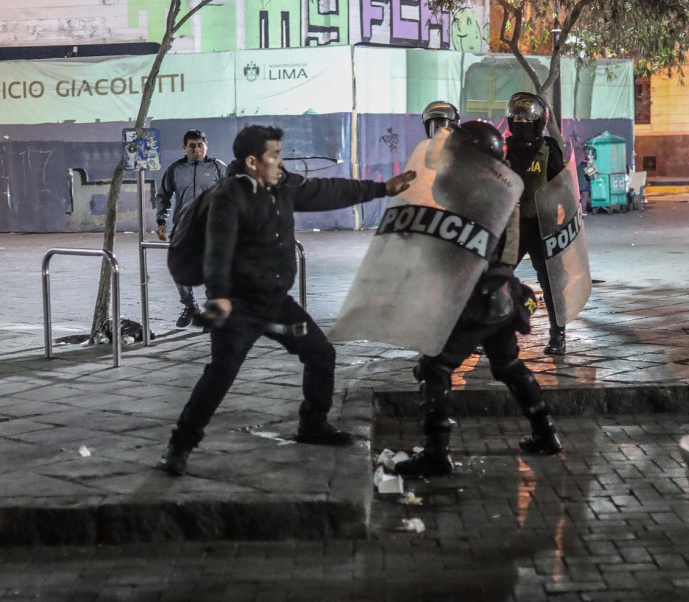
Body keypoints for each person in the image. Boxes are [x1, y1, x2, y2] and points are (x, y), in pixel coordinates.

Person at [157, 125, 416, 476]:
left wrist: (382, 189)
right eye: (274, 155)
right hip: (239, 305)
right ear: (252, 161)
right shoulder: (229, 196)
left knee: (321, 354)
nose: (281, 161)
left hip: (276, 302)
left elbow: (327, 191)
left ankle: (313, 425)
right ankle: (180, 446)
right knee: (220, 374)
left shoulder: (283, 186)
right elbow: (218, 249)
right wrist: (218, 297)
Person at [393, 121, 563, 478]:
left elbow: (449, 227)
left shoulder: (473, 193)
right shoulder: (503, 187)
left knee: (435, 367)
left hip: (478, 297)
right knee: (508, 366)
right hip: (502, 296)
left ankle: (437, 452)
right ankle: (546, 433)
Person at [504, 92, 569, 355]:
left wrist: (563, 222)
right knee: (495, 279)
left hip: (542, 227)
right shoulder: (503, 150)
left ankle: (558, 333)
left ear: (538, 122)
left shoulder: (548, 150)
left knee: (552, 284)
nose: (521, 125)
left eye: (527, 120)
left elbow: (562, 186)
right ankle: (492, 330)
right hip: (511, 228)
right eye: (517, 120)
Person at [156, 129, 227, 328]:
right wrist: (161, 221)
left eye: (200, 145)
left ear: (206, 145)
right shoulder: (175, 170)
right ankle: (190, 306)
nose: (197, 149)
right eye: (192, 146)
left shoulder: (218, 168)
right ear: (184, 148)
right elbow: (163, 196)